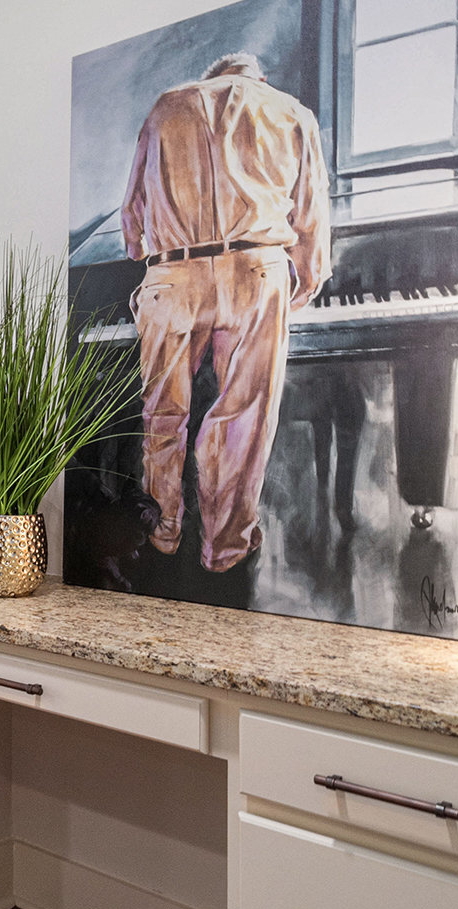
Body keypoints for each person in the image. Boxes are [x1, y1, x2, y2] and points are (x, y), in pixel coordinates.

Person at [120, 51, 331, 573]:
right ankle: (225, 545)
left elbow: (132, 216)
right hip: (255, 271)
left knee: (163, 412)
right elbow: (311, 211)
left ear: (210, 77)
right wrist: (310, 273)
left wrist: (149, 250)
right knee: (243, 416)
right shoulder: (291, 112)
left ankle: (165, 528)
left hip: (173, 274)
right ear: (258, 79)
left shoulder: (166, 107)